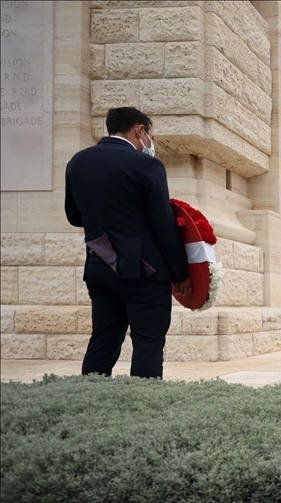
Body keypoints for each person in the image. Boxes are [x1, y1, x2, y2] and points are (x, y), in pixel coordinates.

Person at [64, 106, 191, 379]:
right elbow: (163, 224)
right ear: (139, 130)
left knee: (103, 341)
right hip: (145, 272)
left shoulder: (78, 161)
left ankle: (87, 403)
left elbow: (74, 216)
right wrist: (180, 273)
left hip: (100, 265)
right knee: (148, 344)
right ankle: (141, 412)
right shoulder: (147, 165)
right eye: (151, 136)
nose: (151, 144)